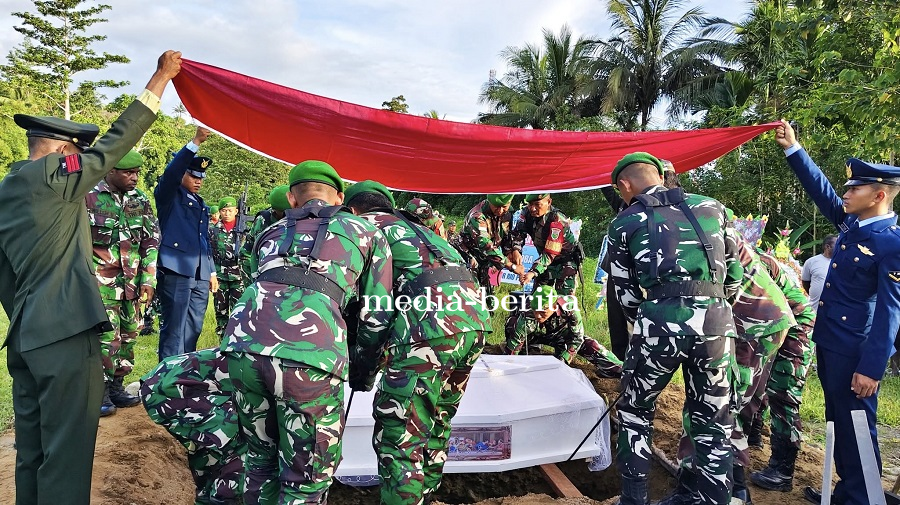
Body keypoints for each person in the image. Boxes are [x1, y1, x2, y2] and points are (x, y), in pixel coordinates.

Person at [0, 50, 181, 505]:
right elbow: (114, 145)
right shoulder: (55, 175)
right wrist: (159, 79)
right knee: (68, 451)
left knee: (33, 450)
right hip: (63, 334)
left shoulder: (9, 188)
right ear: (65, 152)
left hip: (24, 336)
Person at [221, 161, 394, 503]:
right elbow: (377, 314)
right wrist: (362, 372)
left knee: (259, 462)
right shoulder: (366, 233)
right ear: (340, 197)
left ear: (291, 198)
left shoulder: (269, 233)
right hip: (311, 358)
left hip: (241, 349)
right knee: (308, 475)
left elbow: (262, 283)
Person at [606, 152, 743, 505]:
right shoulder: (713, 207)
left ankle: (634, 500)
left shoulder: (625, 221)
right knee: (713, 418)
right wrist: (711, 307)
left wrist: (652, 317)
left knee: (636, 412)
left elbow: (624, 295)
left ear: (625, 185)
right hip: (716, 325)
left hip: (658, 324)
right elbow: (735, 277)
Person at [776, 120, 900, 505]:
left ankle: (863, 497)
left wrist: (873, 366)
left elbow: (891, 311)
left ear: (879, 194)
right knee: (838, 420)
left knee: (857, 424)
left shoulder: (890, 242)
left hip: (856, 351)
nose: (846, 194)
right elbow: (823, 193)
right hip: (830, 342)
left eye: (855, 188)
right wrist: (793, 149)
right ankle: (846, 490)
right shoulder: (853, 225)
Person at [344, 179, 490, 505]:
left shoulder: (362, 229)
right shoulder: (418, 229)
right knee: (436, 420)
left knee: (398, 435)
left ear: (353, 210)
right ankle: (425, 495)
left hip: (427, 326)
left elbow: (374, 310)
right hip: (474, 323)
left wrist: (364, 367)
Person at [86, 149, 160, 416]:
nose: (135, 178)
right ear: (111, 171)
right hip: (100, 283)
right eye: (128, 172)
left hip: (133, 283)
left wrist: (148, 279)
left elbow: (151, 241)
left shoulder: (139, 199)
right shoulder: (90, 196)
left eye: (137, 173)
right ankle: (101, 391)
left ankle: (117, 386)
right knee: (106, 338)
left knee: (130, 334)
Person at [140, 349, 244, 505]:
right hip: (173, 389)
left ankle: (206, 495)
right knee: (247, 441)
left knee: (211, 445)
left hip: (170, 381)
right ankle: (224, 498)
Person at [749, 249, 816, 493]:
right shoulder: (740, 255)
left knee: (783, 395)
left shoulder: (755, 263)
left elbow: (765, 311)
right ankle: (753, 437)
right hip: (776, 322)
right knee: (761, 383)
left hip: (797, 327)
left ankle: (782, 471)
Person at [155, 126, 218, 360]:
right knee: (174, 328)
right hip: (177, 269)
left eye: (201, 177)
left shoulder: (200, 202)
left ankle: (184, 373)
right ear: (182, 173)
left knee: (193, 328)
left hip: (200, 273)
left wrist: (211, 272)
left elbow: (203, 239)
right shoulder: (168, 195)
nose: (198, 180)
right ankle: (165, 376)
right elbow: (172, 173)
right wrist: (195, 142)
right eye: (193, 175)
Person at [504, 285, 622, 378]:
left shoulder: (569, 306)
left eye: (543, 312)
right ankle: (527, 351)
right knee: (511, 323)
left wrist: (565, 358)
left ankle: (621, 370)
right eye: (535, 311)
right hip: (534, 336)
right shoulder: (527, 311)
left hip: (561, 336)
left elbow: (577, 337)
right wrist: (510, 365)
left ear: (554, 306)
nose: (538, 316)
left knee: (591, 345)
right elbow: (515, 341)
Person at [512, 194, 583, 296]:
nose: (532, 208)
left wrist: (533, 272)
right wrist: (516, 250)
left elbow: (550, 253)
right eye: (530, 204)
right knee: (538, 299)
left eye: (537, 204)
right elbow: (518, 233)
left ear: (549, 202)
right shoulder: (526, 213)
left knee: (564, 303)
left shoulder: (557, 220)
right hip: (544, 261)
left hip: (564, 263)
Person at [459, 194, 523, 296]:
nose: (500, 211)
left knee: (487, 295)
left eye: (504, 206)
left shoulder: (508, 213)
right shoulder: (477, 216)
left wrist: (512, 251)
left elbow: (507, 235)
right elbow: (485, 245)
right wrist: (512, 266)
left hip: (485, 260)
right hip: (467, 258)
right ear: (490, 202)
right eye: (496, 206)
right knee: (470, 294)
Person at [239, 184, 291, 286]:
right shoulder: (263, 220)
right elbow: (246, 254)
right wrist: (252, 284)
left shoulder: (303, 220)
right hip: (263, 274)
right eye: (281, 212)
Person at [209, 196, 244, 338]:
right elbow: (208, 253)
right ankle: (222, 338)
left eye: (230, 210)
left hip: (239, 275)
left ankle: (237, 339)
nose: (227, 213)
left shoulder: (243, 229)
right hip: (220, 275)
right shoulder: (213, 230)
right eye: (223, 210)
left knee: (239, 309)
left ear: (236, 211)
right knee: (220, 309)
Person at [801, 234, 836, 312]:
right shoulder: (811, 262)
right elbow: (805, 283)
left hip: (835, 311)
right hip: (815, 309)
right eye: (837, 245)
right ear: (827, 246)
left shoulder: (842, 263)